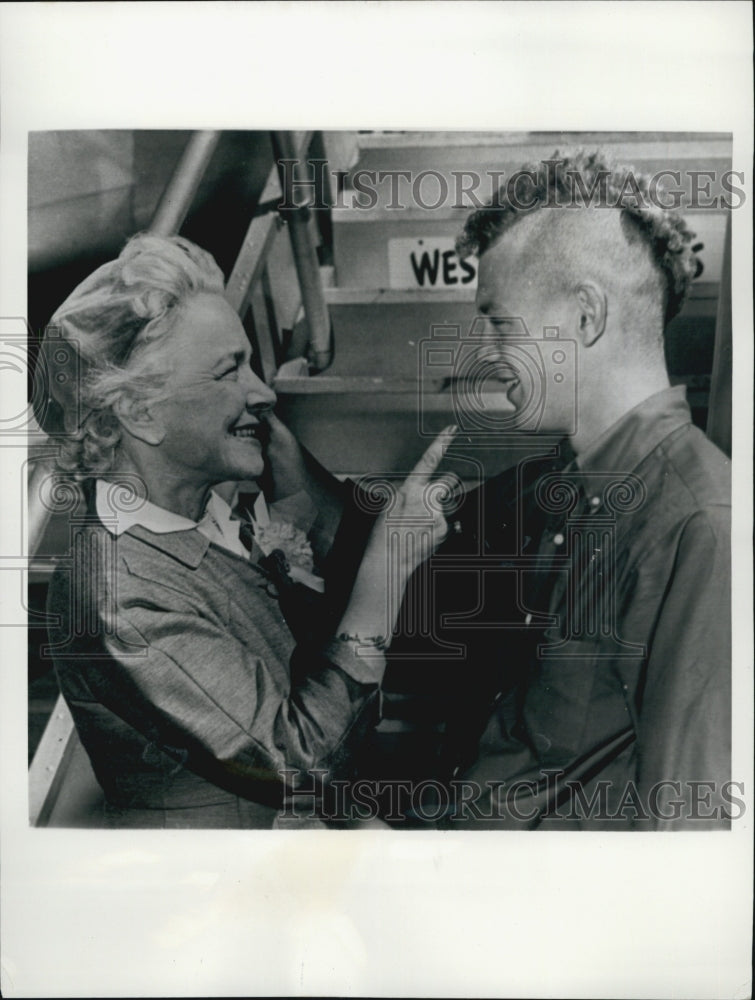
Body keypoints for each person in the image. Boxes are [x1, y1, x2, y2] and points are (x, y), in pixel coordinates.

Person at [37, 233, 454, 829]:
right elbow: (298, 762)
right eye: (229, 372)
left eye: (252, 364)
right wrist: (386, 570)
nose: (262, 391)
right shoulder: (115, 592)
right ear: (139, 412)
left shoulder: (201, 513)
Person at [380, 152, 732, 830]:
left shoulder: (699, 525)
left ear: (584, 317)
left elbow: (687, 833)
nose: (485, 351)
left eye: (501, 324)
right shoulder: (566, 485)